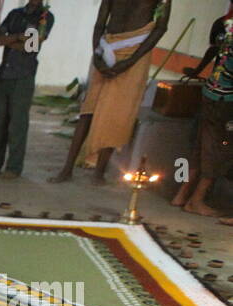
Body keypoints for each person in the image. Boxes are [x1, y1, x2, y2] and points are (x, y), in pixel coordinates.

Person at [51, 0, 170, 184]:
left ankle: (99, 171)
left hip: (135, 54)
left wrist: (131, 60)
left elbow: (160, 28)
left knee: (117, 114)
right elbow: (100, 23)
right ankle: (67, 169)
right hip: (107, 48)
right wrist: (97, 55)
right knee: (87, 112)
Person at [0, 0, 50, 181]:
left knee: (17, 124)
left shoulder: (45, 17)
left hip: (23, 75)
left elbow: (31, 47)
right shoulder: (15, 14)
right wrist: (18, 37)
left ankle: (14, 167)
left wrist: (10, 39)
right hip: (4, 74)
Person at [171, 7, 233, 217]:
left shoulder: (224, 24)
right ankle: (196, 200)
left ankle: (182, 194)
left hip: (211, 92)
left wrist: (197, 71)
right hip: (226, 100)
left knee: (201, 145)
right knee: (219, 149)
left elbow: (214, 51)